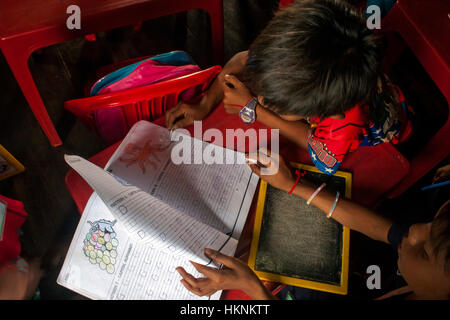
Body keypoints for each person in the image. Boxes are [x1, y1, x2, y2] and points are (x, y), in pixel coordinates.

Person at [165, 0, 412, 175]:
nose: (261, 98)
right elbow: (242, 60)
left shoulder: (344, 123)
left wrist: (255, 110)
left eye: (274, 104)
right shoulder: (293, 54)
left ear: (325, 111)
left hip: (377, 134)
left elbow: (320, 152)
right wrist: (205, 104)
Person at [176, 154, 450, 300]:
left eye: (425, 251)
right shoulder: (431, 258)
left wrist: (251, 287)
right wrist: (291, 185)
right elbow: (379, 227)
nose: (414, 231)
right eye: (430, 224)